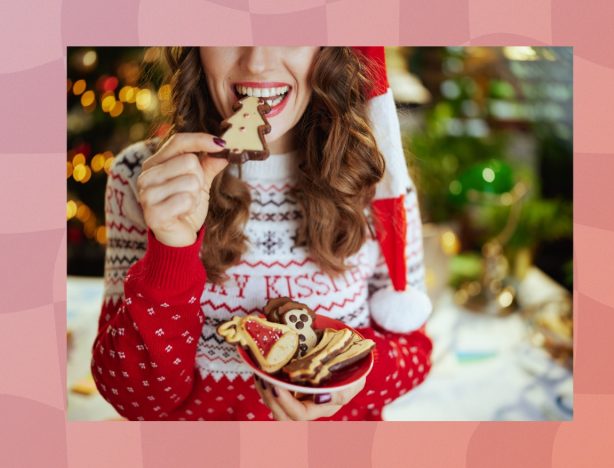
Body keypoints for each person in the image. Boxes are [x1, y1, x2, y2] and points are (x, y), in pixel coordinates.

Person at [92, 47, 433, 421]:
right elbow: (135, 401)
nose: (257, 62)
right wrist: (171, 247)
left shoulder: (377, 180)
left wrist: (351, 379)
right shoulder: (144, 178)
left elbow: (415, 352)